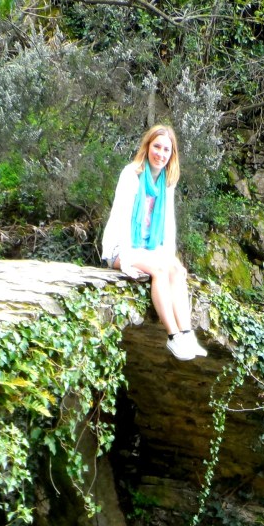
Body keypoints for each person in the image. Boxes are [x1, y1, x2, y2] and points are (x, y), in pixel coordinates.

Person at [101, 124, 207, 362]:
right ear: (147, 147)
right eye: (156, 147)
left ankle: (187, 334)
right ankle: (173, 337)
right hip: (121, 247)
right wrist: (128, 259)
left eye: (166, 149)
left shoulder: (167, 182)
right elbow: (121, 219)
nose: (160, 153)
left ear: (172, 154)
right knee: (159, 270)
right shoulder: (132, 174)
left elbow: (168, 224)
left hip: (149, 248)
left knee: (177, 270)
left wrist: (169, 256)